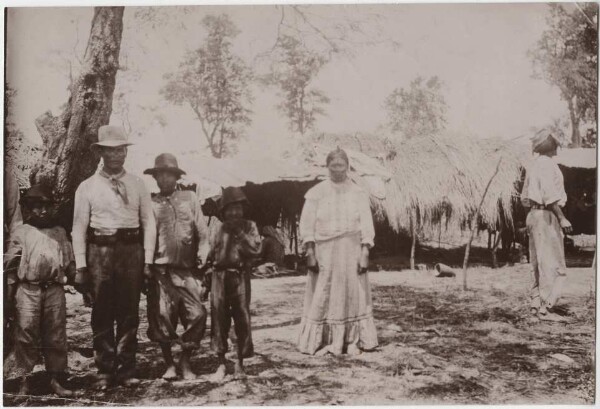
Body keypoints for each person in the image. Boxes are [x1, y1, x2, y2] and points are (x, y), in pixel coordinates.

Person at [71, 126, 156, 389]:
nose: (117, 155)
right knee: (102, 311)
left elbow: (149, 223)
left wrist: (148, 260)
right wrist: (82, 265)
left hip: (131, 251)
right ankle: (105, 370)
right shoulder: (87, 187)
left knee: (129, 312)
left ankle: (127, 368)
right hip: (100, 252)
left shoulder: (138, 184)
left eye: (121, 150)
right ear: (101, 153)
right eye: (111, 150)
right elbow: (78, 228)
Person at [297, 148, 378, 356]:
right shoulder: (316, 193)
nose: (338, 170)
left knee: (354, 292)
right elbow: (306, 225)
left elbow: (367, 225)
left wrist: (365, 251)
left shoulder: (358, 192)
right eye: (334, 166)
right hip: (325, 250)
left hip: (351, 249)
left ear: (347, 167)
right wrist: (310, 252)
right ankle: (325, 340)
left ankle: (352, 341)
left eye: (341, 166)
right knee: (324, 291)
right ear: (327, 167)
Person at [4, 184, 80, 397]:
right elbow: (11, 267)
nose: (42, 211)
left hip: (54, 289)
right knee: (26, 333)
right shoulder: (22, 232)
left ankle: (56, 379)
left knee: (56, 335)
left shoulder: (59, 232)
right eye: (36, 207)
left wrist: (80, 282)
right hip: (28, 290)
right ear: (28, 209)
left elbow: (70, 262)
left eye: (46, 206)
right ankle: (24, 381)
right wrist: (9, 297)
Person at [144, 153, 210, 381]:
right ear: (155, 178)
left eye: (169, 174)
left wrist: (203, 254)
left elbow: (202, 231)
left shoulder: (189, 198)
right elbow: (146, 238)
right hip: (160, 271)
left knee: (198, 314)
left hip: (186, 271)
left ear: (176, 176)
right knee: (163, 317)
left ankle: (185, 360)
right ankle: (169, 364)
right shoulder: (149, 204)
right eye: (160, 175)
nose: (165, 179)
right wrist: (146, 266)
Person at [205, 187, 262, 381]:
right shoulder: (217, 228)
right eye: (230, 209)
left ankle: (239, 363)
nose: (234, 213)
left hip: (239, 276)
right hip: (219, 277)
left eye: (238, 208)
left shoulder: (250, 226)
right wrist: (206, 279)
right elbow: (210, 253)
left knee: (242, 318)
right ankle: (221, 363)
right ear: (223, 211)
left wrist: (239, 233)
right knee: (219, 319)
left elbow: (255, 251)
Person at [521, 130, 573, 322]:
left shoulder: (534, 165)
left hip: (534, 214)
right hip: (546, 215)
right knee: (553, 263)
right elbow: (550, 195)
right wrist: (561, 218)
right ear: (550, 146)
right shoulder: (547, 165)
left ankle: (536, 303)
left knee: (537, 261)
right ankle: (547, 308)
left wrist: (533, 213)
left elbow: (524, 198)